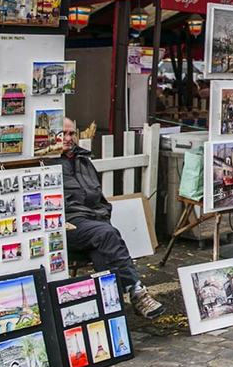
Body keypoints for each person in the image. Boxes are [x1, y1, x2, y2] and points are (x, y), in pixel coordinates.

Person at [53, 117, 164, 319]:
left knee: (102, 251)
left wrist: (102, 215)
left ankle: (112, 313)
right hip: (69, 224)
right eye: (63, 134)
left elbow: (99, 197)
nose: (68, 138)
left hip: (94, 223)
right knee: (107, 235)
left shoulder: (83, 160)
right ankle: (136, 291)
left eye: (71, 133)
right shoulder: (48, 163)